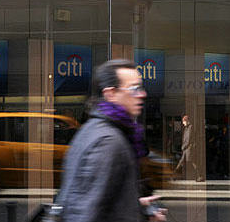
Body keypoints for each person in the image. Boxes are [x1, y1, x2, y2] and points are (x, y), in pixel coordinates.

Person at [57, 59, 166, 222]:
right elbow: (86, 212)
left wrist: (137, 208)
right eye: (134, 89)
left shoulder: (92, 129)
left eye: (141, 88)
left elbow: (97, 201)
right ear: (111, 94)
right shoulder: (108, 141)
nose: (143, 94)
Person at [175, 115, 202, 181]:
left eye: (183, 122)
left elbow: (188, 138)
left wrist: (184, 146)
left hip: (188, 148)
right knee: (182, 162)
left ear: (186, 121)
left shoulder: (190, 127)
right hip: (187, 148)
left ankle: (200, 176)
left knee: (192, 162)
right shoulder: (187, 128)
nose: (183, 123)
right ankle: (174, 175)